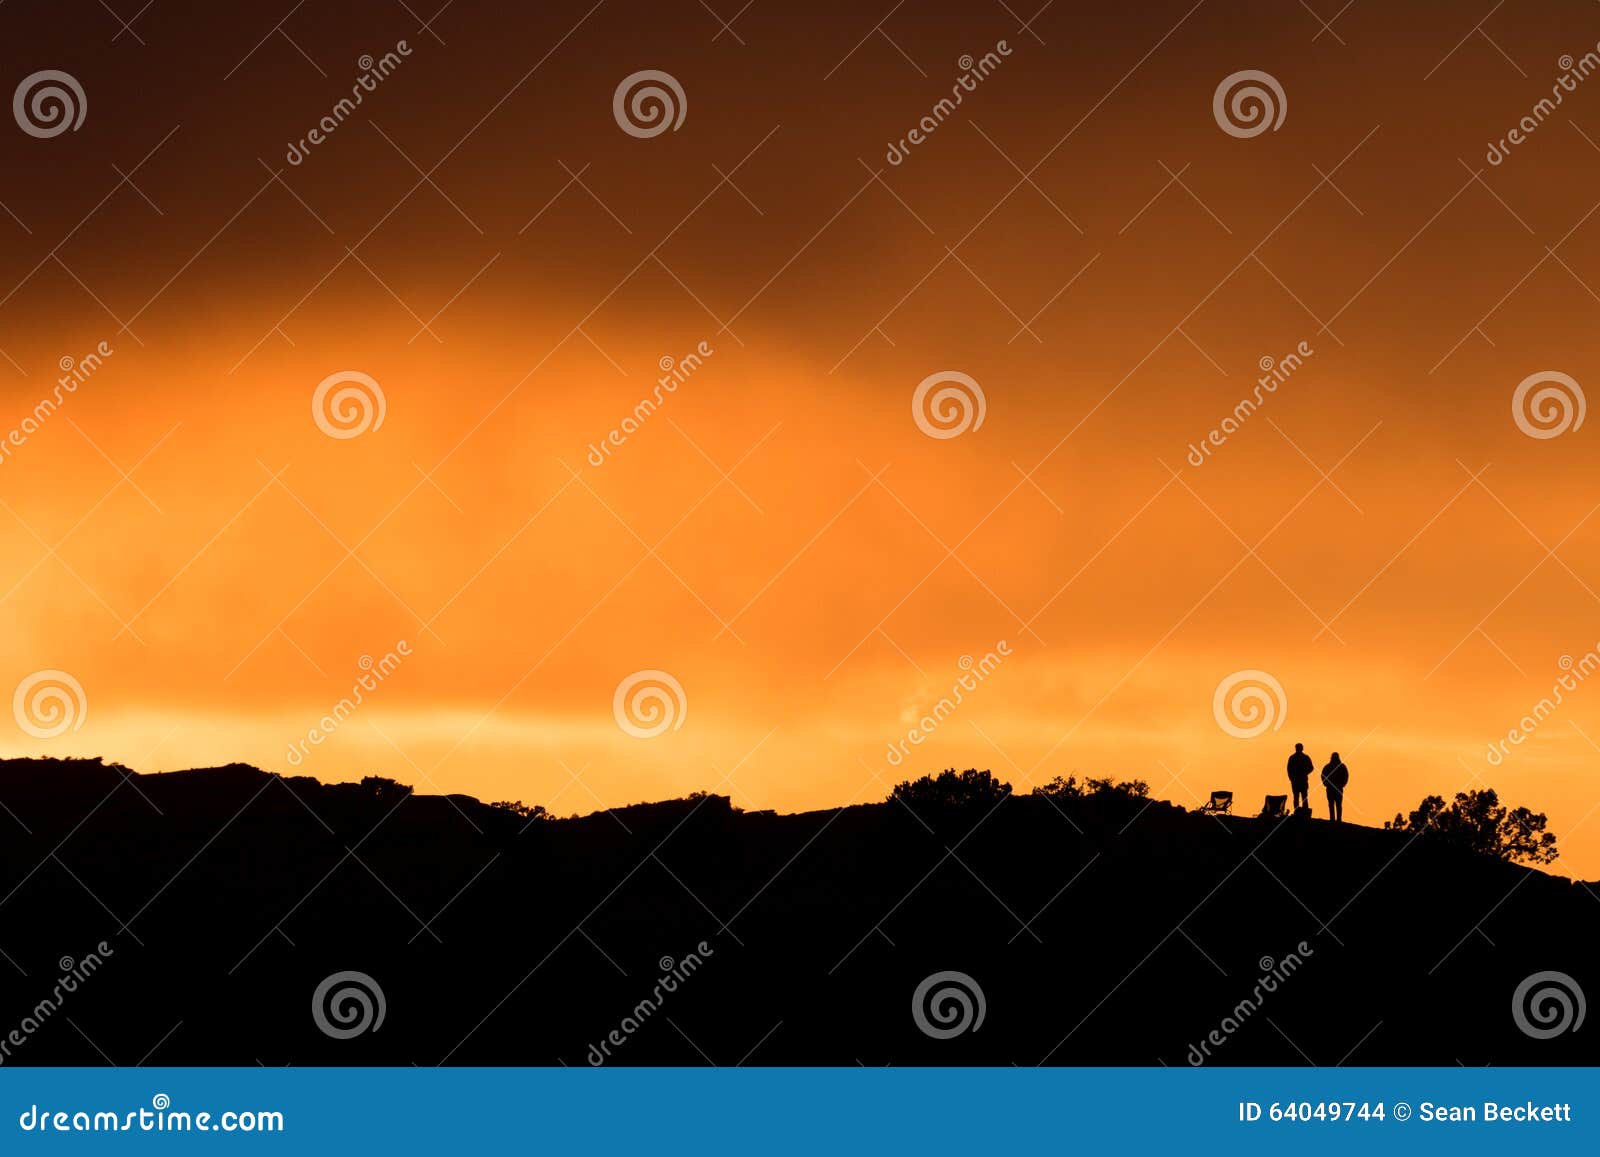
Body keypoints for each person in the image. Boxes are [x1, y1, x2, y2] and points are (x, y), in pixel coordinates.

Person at [1321, 752, 1349, 823]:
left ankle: (1336, 819)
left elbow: (1346, 776)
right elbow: (1323, 776)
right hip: (1334, 788)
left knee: (1335, 804)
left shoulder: (1329, 766)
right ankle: (1335, 819)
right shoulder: (1341, 767)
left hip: (1335, 788)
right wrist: (1326, 784)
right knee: (1334, 804)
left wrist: (1342, 784)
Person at [1286, 742, 1313, 813]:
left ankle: (1299, 812)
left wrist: (1292, 778)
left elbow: (1311, 768)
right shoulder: (1304, 757)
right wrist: (1292, 778)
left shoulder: (1293, 758)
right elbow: (1289, 769)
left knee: (1299, 797)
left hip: (1299, 780)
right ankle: (1300, 812)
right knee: (1300, 797)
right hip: (1299, 780)